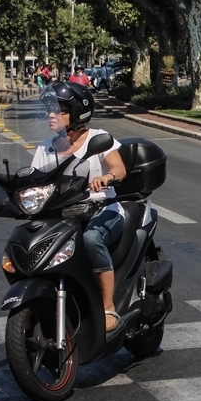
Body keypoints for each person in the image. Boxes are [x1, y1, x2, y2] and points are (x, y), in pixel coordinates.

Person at [32, 82, 128, 331]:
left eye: (58, 109)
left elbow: (119, 168)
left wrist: (107, 177)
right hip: (62, 215)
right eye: (49, 109)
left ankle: (108, 307)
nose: (51, 114)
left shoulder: (97, 139)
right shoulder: (46, 147)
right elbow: (32, 179)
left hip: (102, 209)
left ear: (77, 112)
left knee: (91, 239)